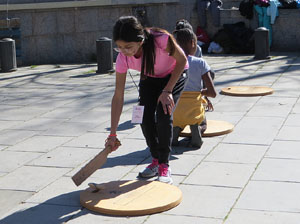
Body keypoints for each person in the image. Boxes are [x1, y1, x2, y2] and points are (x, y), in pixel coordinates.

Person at [105, 16, 188, 184]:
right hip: (150, 78)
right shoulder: (122, 58)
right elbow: (118, 95)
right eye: (119, 47)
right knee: (143, 117)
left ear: (140, 40)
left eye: (128, 47)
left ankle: (164, 164)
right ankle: (156, 160)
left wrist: (167, 90)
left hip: (174, 75)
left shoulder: (161, 39)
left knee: (164, 114)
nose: (125, 51)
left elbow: (182, 60)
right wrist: (113, 133)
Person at [172, 28, 216, 148]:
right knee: (202, 122)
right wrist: (200, 92)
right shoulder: (200, 62)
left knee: (177, 121)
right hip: (194, 110)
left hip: (175, 110)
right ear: (193, 43)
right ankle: (196, 130)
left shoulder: (171, 62)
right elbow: (212, 93)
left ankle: (175, 130)